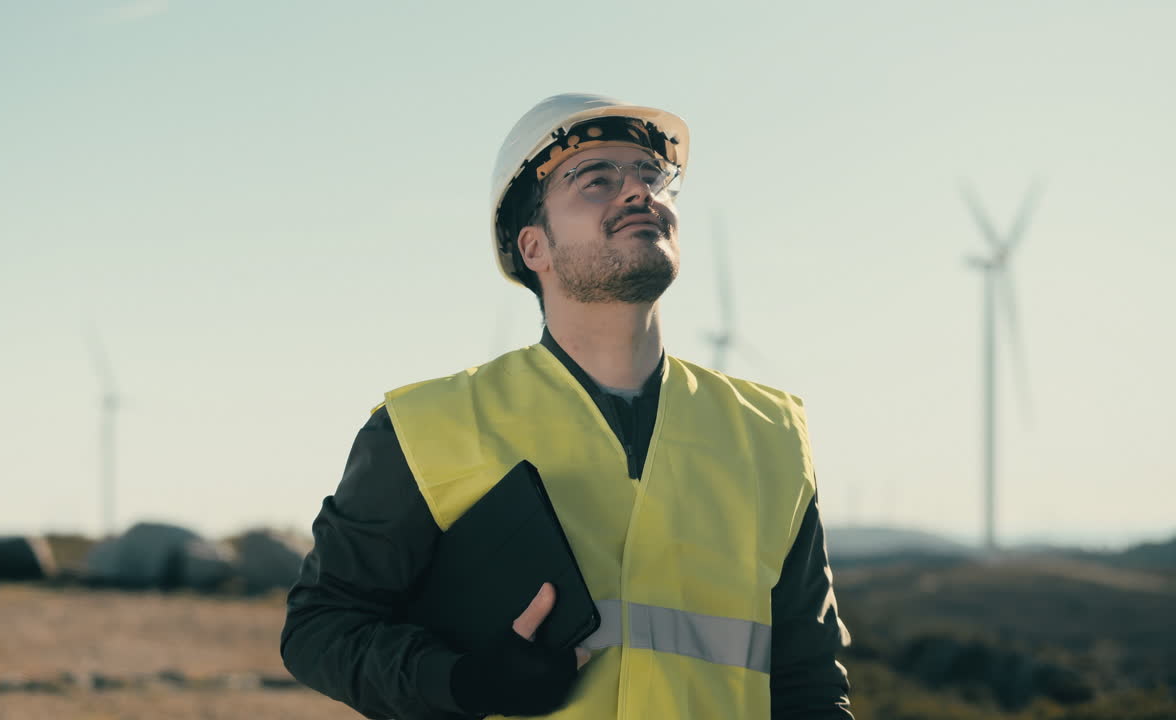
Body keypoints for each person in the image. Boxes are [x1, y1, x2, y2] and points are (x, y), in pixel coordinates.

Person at [281, 93, 854, 719]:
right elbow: (321, 628)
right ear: (535, 248)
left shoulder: (770, 433)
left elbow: (810, 681)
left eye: (652, 175)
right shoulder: (425, 427)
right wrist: (463, 682)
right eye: (597, 179)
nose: (638, 192)